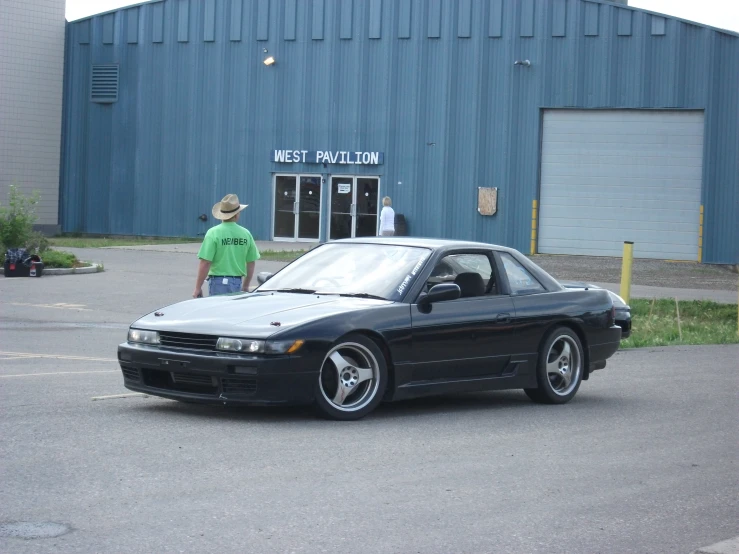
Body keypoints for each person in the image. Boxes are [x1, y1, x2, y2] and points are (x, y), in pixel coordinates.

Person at [192, 194, 260, 298]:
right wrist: (246, 285)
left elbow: (205, 262)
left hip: (218, 282)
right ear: (237, 215)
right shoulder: (246, 234)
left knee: (218, 312)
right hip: (237, 282)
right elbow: (251, 262)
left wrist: (198, 287)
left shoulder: (213, 233)